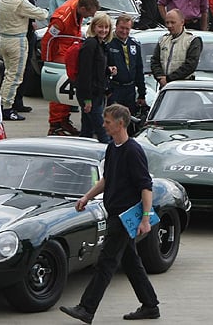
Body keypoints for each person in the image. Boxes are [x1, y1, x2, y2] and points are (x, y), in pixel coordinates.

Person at [59, 104, 160, 324]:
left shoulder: (133, 151)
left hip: (124, 217)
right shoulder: (113, 148)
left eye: (107, 122)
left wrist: (145, 218)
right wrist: (86, 197)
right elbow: (107, 179)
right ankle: (150, 305)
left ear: (120, 123)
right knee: (131, 261)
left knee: (106, 262)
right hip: (113, 212)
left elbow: (146, 186)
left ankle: (86, 308)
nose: (104, 125)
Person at [43, 0, 99, 135]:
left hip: (70, 52)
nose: (89, 18)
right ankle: (55, 124)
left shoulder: (77, 6)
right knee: (59, 92)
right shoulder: (62, 19)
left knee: (68, 92)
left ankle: (64, 120)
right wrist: (49, 63)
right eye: (89, 14)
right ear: (82, 8)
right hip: (59, 55)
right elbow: (48, 40)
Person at [0, 0, 48, 121]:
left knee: (8, 74)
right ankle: (7, 107)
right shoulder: (19, 1)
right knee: (15, 77)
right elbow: (40, 14)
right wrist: (48, 10)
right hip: (16, 41)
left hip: (4, 39)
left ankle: (2, 104)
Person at [75, 12, 113, 143]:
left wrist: (108, 71)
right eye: (100, 27)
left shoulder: (101, 45)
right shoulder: (90, 44)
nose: (103, 30)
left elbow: (97, 70)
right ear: (93, 27)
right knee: (103, 133)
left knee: (87, 131)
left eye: (106, 27)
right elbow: (85, 73)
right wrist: (87, 99)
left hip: (98, 94)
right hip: (90, 95)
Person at [151, 9, 202, 88]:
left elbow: (190, 65)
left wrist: (169, 79)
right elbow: (154, 61)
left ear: (182, 22)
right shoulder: (162, 40)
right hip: (164, 86)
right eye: (167, 22)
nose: (169, 26)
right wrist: (160, 77)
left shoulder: (192, 40)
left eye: (173, 22)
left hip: (184, 86)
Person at [107, 15, 146, 115]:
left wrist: (142, 94)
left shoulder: (134, 44)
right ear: (116, 26)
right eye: (122, 28)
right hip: (115, 89)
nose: (124, 31)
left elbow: (139, 69)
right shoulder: (108, 43)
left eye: (127, 29)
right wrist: (107, 90)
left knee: (129, 119)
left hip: (130, 89)